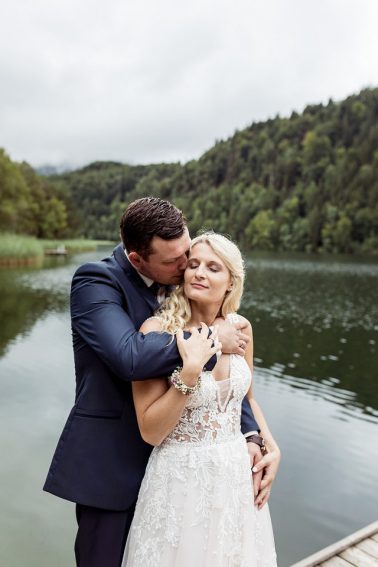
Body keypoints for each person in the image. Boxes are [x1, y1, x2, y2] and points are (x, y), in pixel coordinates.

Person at [43, 198, 279, 567]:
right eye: (176, 262)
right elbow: (130, 356)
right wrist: (212, 336)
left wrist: (256, 437)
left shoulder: (184, 281)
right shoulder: (97, 280)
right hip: (113, 464)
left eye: (188, 253)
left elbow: (230, 392)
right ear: (137, 259)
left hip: (190, 475)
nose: (187, 267)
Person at [122, 232, 279, 567]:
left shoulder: (241, 328)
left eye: (212, 267)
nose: (199, 273)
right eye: (193, 265)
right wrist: (189, 373)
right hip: (179, 478)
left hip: (235, 478)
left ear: (231, 282)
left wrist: (269, 445)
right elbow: (150, 431)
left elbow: (247, 399)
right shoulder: (156, 331)